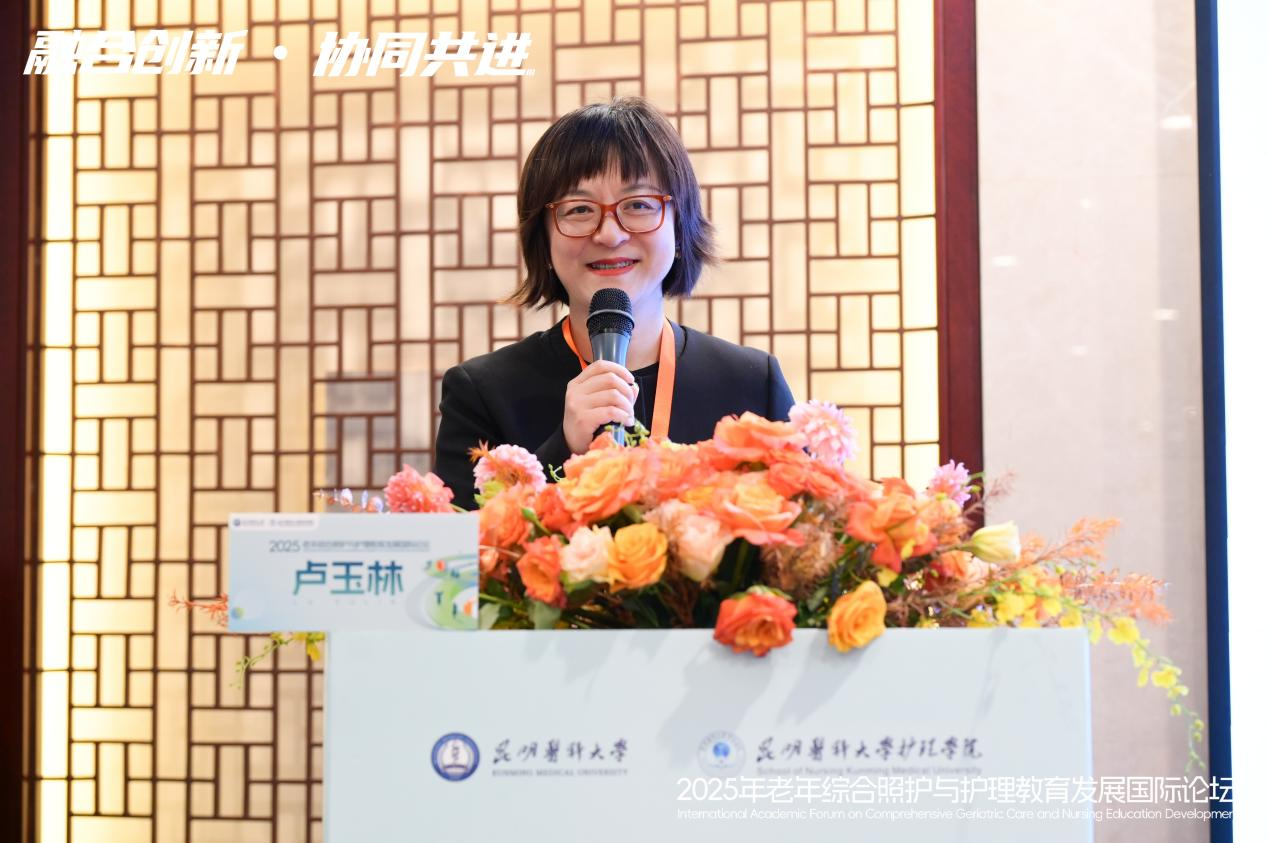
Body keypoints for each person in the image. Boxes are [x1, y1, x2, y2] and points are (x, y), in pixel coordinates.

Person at [433, 97, 795, 510]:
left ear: (679, 225)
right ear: (543, 240)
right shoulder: (482, 393)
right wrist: (562, 450)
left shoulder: (752, 384)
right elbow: (456, 550)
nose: (609, 234)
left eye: (638, 205)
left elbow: (812, 534)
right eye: (579, 209)